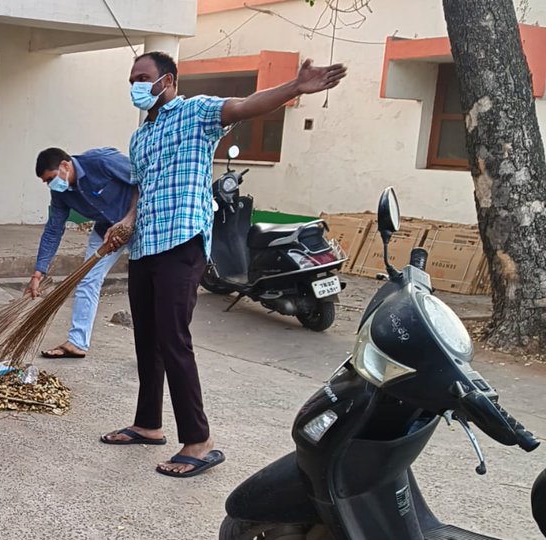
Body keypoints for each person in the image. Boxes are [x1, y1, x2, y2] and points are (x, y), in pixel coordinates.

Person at [101, 51, 346, 477]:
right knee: (148, 337)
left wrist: (294, 87)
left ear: (169, 81)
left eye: (144, 77)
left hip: (182, 242)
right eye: (132, 79)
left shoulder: (196, 113)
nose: (136, 86)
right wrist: (126, 221)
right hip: (144, 246)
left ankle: (199, 441)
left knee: (173, 338)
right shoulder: (140, 136)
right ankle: (148, 424)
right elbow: (141, 188)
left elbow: (245, 105)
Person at [28, 147, 135, 359]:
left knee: (150, 284)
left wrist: (129, 220)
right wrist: (39, 272)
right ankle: (78, 342)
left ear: (65, 165)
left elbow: (144, 181)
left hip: (141, 220)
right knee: (87, 279)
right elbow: (53, 230)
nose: (51, 185)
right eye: (46, 183)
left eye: (50, 179)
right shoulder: (60, 192)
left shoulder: (102, 162)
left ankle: (158, 347)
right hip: (107, 230)